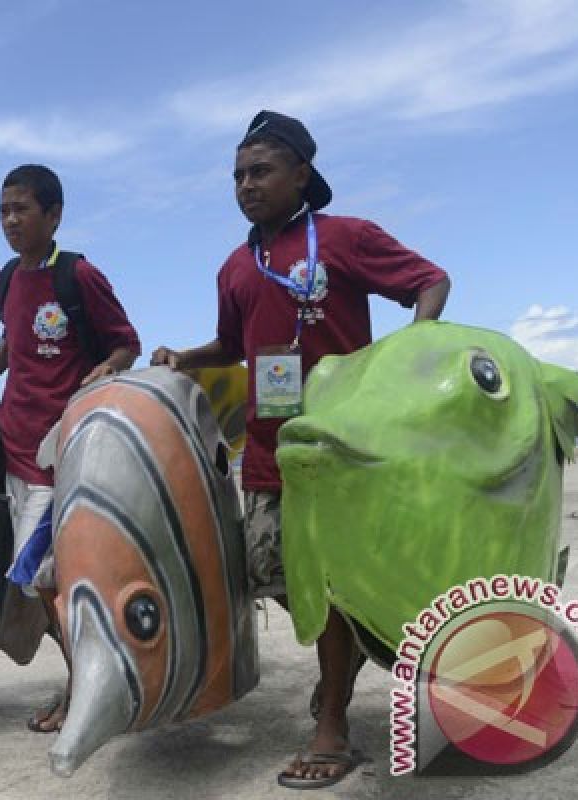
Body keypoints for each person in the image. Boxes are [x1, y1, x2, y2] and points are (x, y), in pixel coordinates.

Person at [151, 111, 450, 789]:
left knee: (332, 582)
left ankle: (334, 726)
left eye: (260, 171)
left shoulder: (346, 238)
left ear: (301, 175)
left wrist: (405, 357)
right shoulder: (236, 264)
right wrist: (184, 356)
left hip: (342, 447)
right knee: (269, 572)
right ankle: (343, 664)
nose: (245, 185)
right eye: (237, 175)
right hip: (266, 449)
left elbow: (430, 282)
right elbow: (233, 345)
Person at [0, 164, 140, 734]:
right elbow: (11, 340)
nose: (11, 221)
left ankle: (85, 691)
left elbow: (126, 343)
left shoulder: (79, 277)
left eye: (22, 209)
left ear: (54, 214)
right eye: (3, 211)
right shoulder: (6, 281)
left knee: (49, 577)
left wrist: (104, 371)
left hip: (66, 451)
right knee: (46, 580)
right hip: (14, 448)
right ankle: (87, 681)